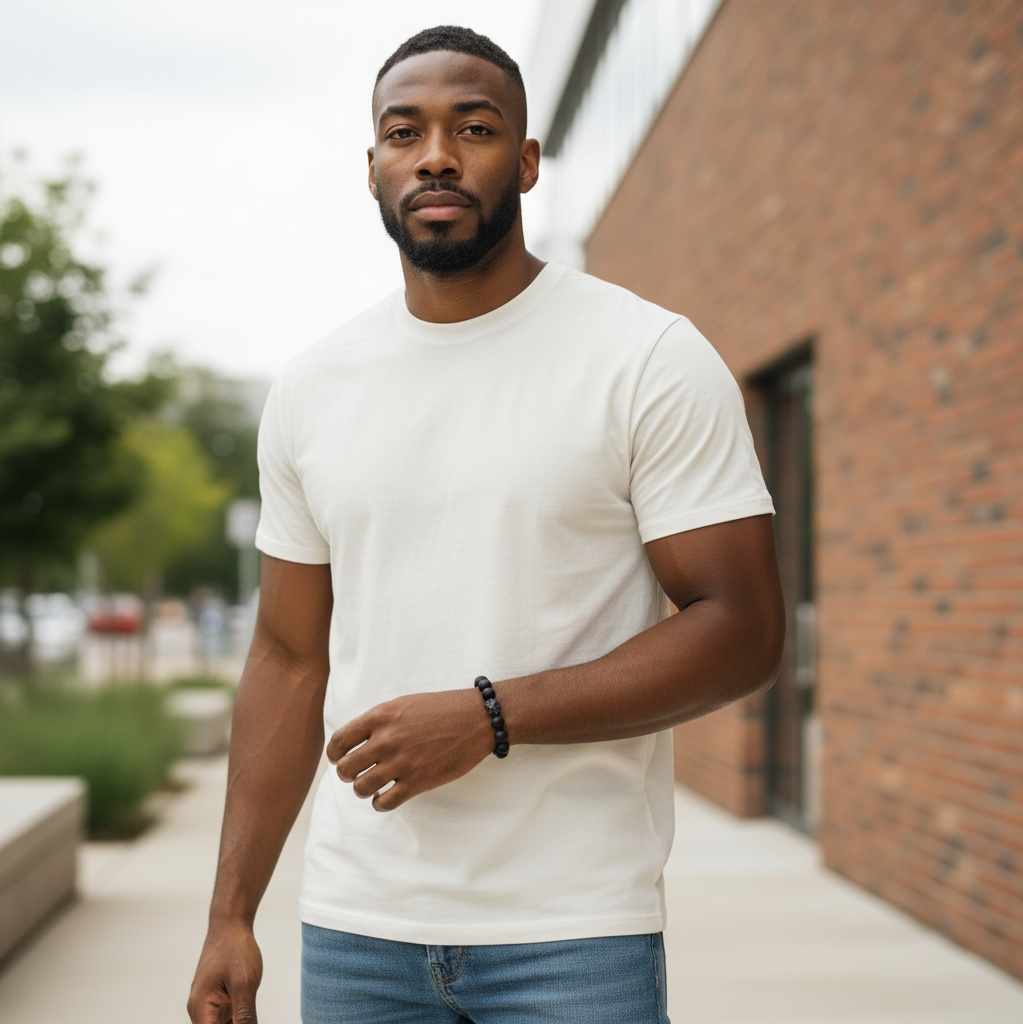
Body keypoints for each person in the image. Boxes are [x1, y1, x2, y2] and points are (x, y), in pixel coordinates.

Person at [188, 24, 785, 1024]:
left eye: (473, 127)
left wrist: (489, 716)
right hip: (356, 929)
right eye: (403, 132)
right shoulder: (311, 389)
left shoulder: (644, 357)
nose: (435, 153)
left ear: (527, 160)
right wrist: (230, 913)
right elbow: (287, 657)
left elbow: (743, 628)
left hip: (572, 931)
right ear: (371, 167)